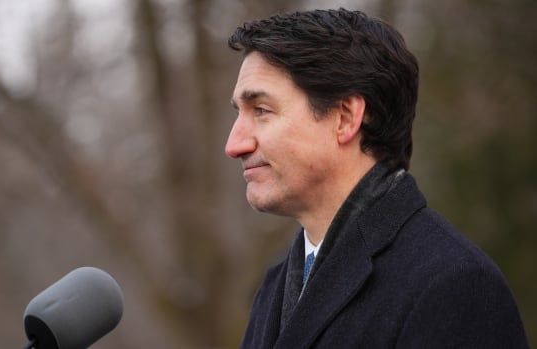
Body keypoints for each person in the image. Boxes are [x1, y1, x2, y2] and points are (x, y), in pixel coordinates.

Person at [225, 8, 529, 348]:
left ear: (345, 118)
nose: (234, 144)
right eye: (239, 114)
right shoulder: (275, 287)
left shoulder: (455, 285)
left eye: (262, 111)